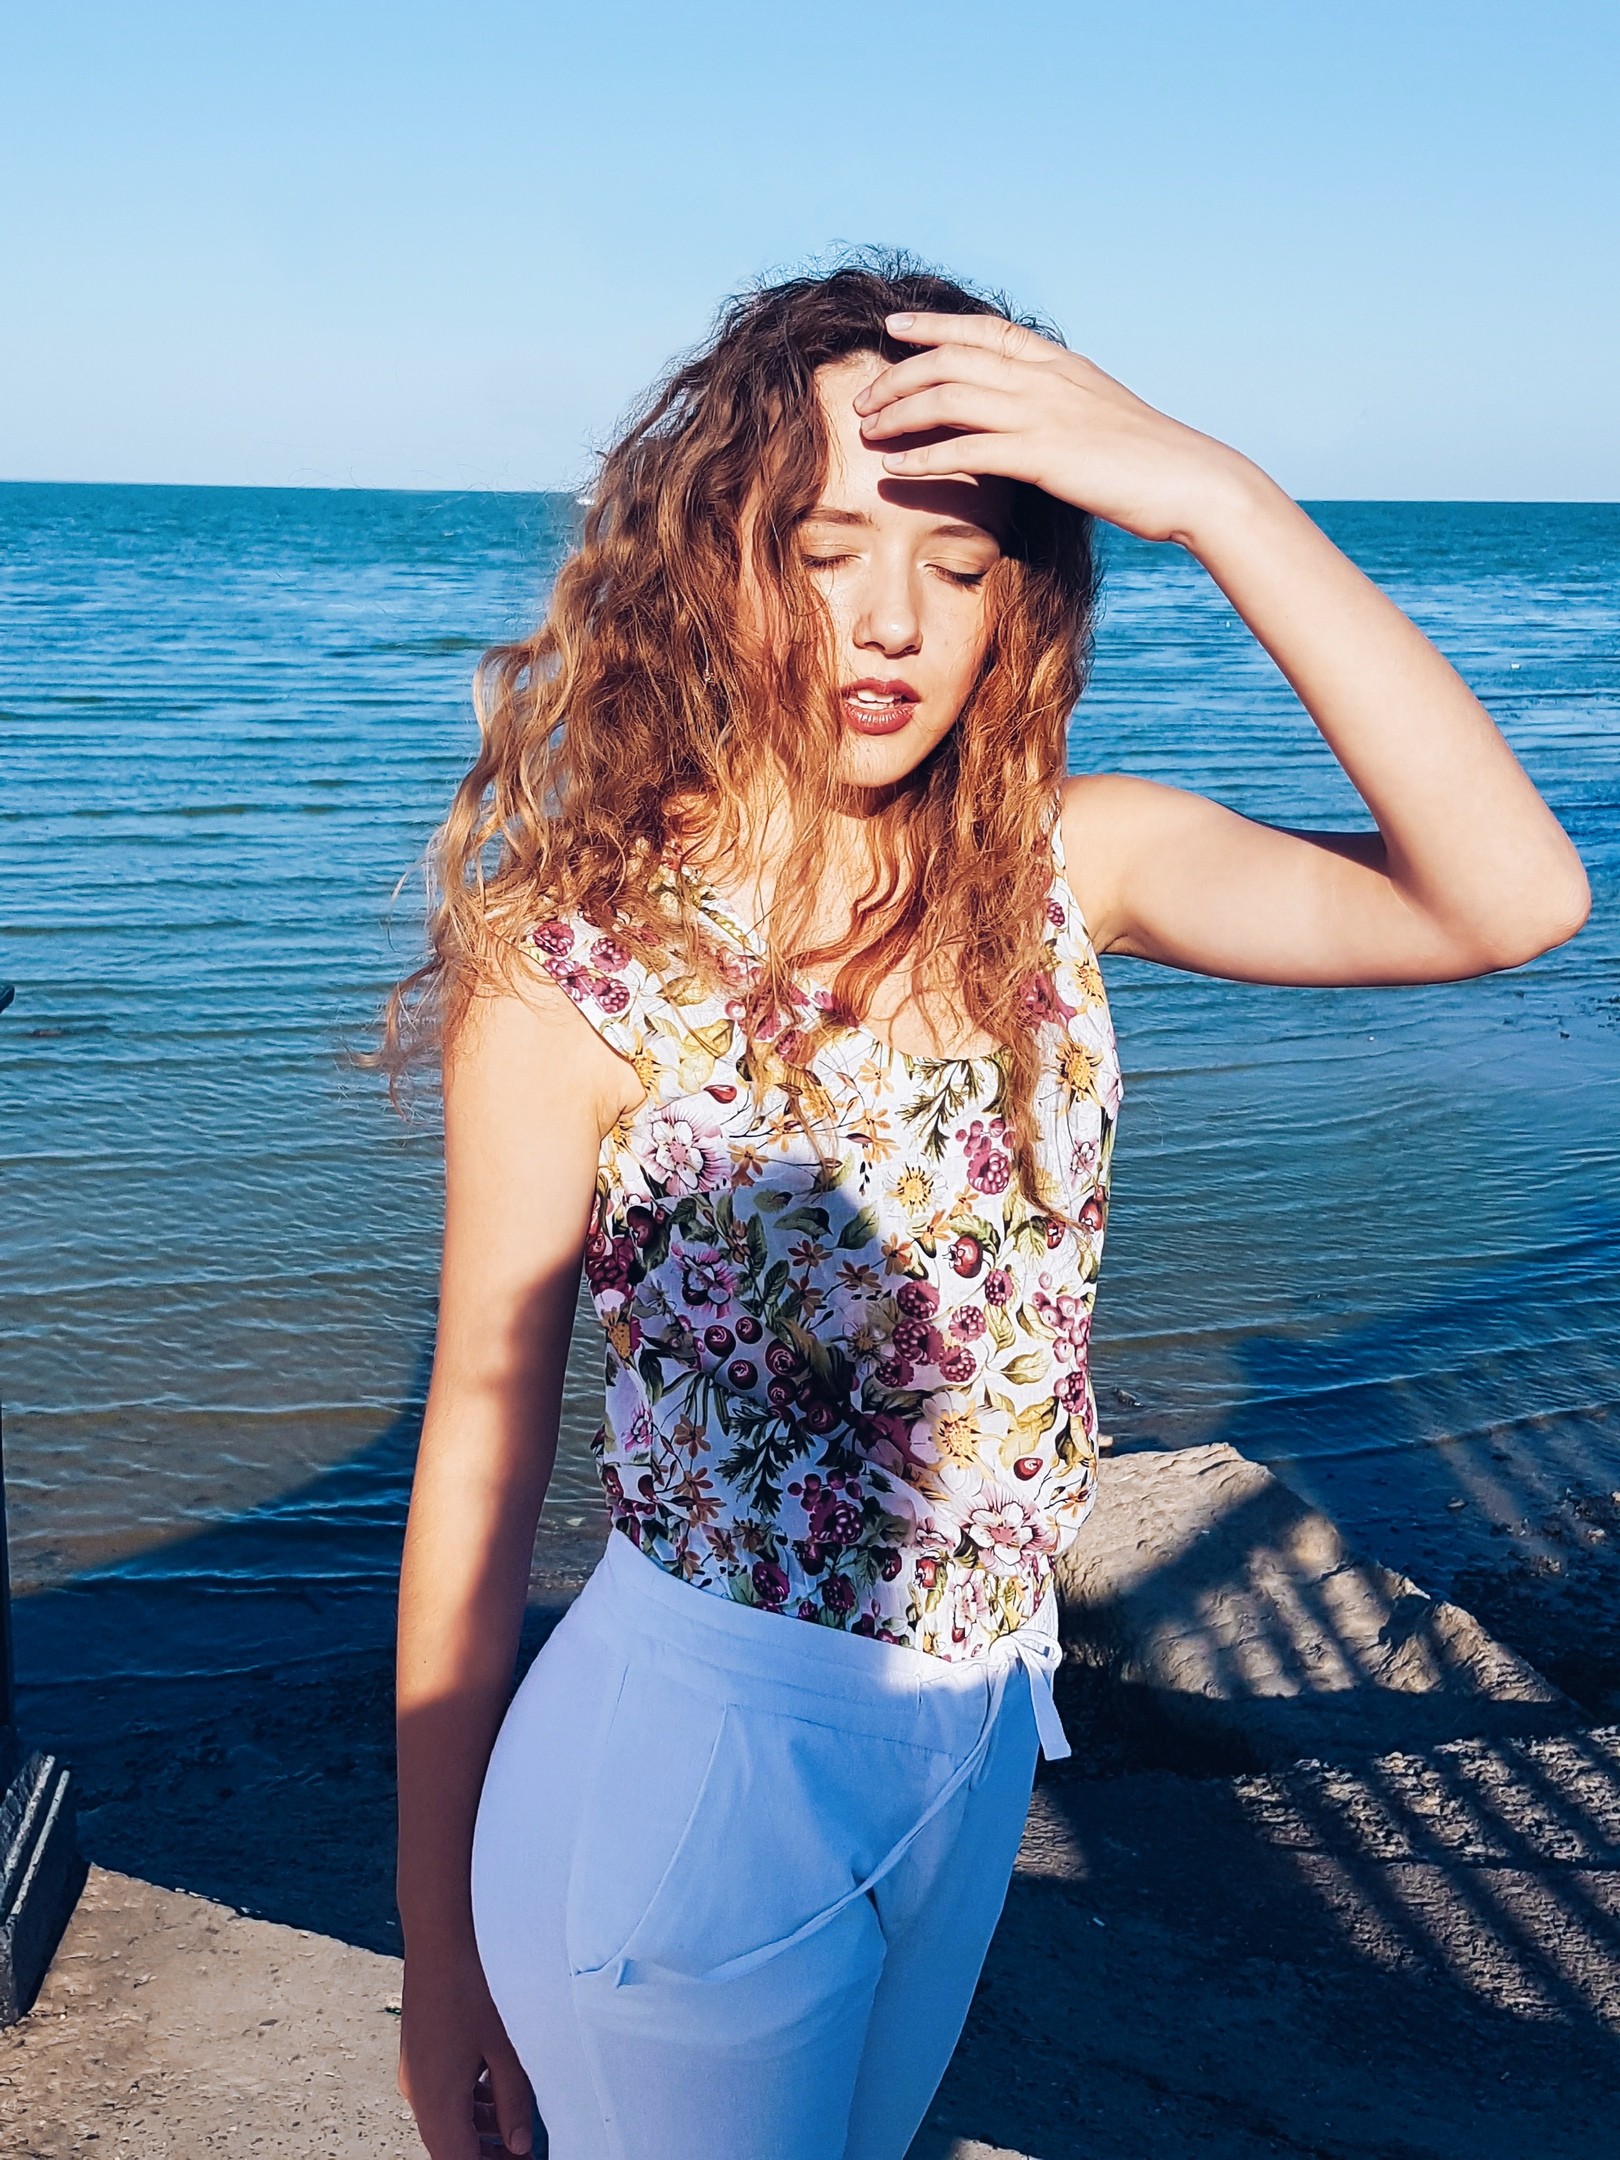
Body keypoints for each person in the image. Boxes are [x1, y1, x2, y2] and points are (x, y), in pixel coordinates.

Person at [388, 256, 1588, 2160]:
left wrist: (1216, 496)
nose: (892, 622)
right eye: (825, 551)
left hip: (973, 1740)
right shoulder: (578, 970)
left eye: (957, 569)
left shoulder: (1062, 870)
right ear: (711, 568)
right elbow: (481, 1444)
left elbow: (1511, 899)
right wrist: (436, 1947)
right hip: (693, 1774)